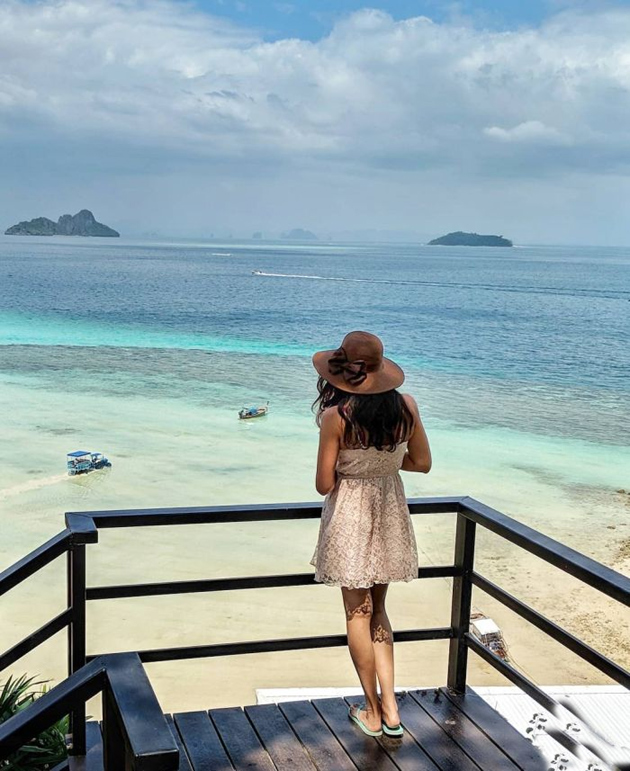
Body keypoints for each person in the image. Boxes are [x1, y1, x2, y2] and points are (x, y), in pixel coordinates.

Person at [310, 331, 432, 737]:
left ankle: (372, 711)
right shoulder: (406, 406)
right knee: (379, 610)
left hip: (350, 516)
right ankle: (392, 709)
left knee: (356, 614)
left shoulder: (336, 417)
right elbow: (421, 462)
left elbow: (324, 484)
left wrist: (355, 467)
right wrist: (384, 464)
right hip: (390, 511)